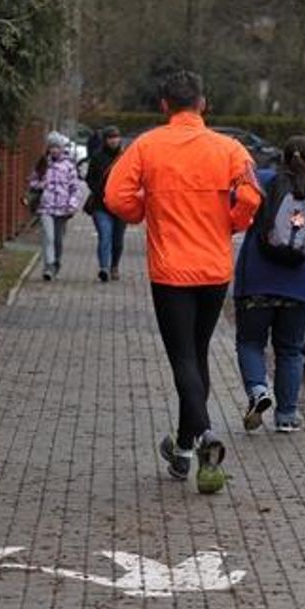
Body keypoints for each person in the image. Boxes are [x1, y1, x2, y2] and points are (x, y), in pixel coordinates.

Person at [104, 70, 261, 494]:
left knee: (183, 360)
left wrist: (144, 211)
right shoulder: (230, 149)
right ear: (203, 104)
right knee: (198, 354)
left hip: (171, 270)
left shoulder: (147, 147)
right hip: (213, 269)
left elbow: (115, 195)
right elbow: (251, 196)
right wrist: (229, 224)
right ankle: (184, 452)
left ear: (163, 106)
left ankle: (207, 435)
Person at [233, 136, 305, 433]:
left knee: (250, 342)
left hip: (256, 282)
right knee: (290, 349)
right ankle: (286, 417)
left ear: (282, 158)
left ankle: (259, 391)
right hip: (300, 285)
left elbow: (234, 201)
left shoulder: (262, 181)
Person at [29, 132, 81, 280]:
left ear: (62, 148)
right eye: (52, 147)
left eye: (57, 147)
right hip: (45, 207)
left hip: (62, 209)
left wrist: (72, 204)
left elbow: (74, 188)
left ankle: (56, 262)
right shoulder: (43, 164)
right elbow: (32, 183)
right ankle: (48, 266)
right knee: (48, 237)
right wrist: (41, 185)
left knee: (58, 240)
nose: (54, 150)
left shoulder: (69, 166)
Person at [85, 125, 127, 282]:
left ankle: (114, 265)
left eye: (116, 137)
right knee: (105, 236)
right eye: (110, 137)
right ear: (105, 140)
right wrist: (99, 191)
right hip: (101, 205)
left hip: (120, 206)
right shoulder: (97, 157)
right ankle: (104, 268)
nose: (114, 140)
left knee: (118, 240)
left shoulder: (125, 157)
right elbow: (89, 178)